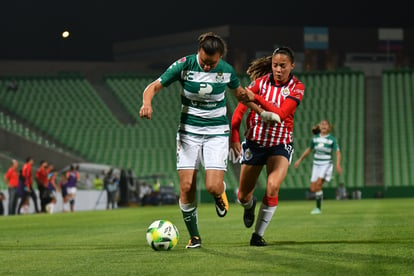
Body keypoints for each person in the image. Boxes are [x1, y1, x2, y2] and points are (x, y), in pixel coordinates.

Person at [139, 32, 251, 249]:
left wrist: (262, 110)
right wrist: (147, 103)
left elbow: (242, 96)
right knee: (187, 185)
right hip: (188, 132)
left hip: (217, 132)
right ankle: (195, 237)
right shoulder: (184, 65)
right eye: (204, 61)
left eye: (212, 63)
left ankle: (220, 192)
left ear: (220, 58)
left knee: (212, 186)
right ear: (198, 51)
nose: (207, 66)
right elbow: (153, 86)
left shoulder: (226, 71)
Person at [231, 46, 305, 246]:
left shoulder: (297, 87)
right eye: (275, 66)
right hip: (255, 144)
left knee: (272, 186)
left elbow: (281, 114)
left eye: (283, 66)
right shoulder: (259, 83)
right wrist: (234, 133)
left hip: (280, 144)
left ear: (292, 66)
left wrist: (257, 99)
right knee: (242, 196)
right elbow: (241, 106)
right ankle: (249, 206)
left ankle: (257, 236)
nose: (278, 70)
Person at [294, 119, 343, 214]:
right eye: (322, 124)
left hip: (326, 164)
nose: (324, 126)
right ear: (319, 127)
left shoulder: (331, 139)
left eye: (326, 124)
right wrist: (299, 159)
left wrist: (337, 164)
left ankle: (318, 208)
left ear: (329, 127)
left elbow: (338, 153)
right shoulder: (315, 138)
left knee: (318, 184)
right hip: (316, 165)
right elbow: (309, 149)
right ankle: (319, 202)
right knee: (313, 188)